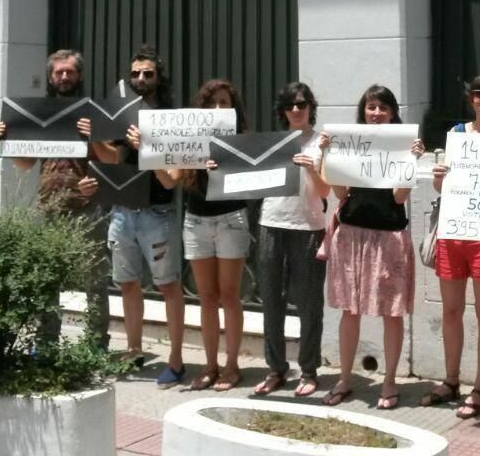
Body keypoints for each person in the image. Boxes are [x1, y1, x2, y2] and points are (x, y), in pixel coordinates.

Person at [0, 49, 111, 349]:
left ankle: (95, 344)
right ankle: (45, 343)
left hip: (87, 208)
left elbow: (112, 157)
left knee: (94, 281)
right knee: (46, 279)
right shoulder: (40, 114)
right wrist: (3, 140)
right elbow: (25, 163)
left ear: (79, 76)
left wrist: (94, 136)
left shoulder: (93, 112)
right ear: (50, 77)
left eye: (70, 72)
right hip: (49, 207)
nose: (65, 77)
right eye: (59, 72)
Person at [318, 85, 425, 409]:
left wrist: (412, 161)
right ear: (363, 111)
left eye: (382, 107)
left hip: (389, 237)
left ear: (393, 112)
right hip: (351, 235)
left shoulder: (402, 146)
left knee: (391, 313)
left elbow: (399, 198)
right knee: (350, 310)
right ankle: (345, 379)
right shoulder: (352, 144)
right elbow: (340, 193)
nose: (376, 113)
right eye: (371, 107)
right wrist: (326, 155)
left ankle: (390, 382)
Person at [96, 45, 188, 388]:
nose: (140, 79)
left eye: (147, 73)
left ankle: (176, 360)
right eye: (135, 74)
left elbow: (173, 178)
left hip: (158, 213)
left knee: (168, 286)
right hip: (122, 212)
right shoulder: (122, 116)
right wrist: (92, 139)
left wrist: (146, 146)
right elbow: (110, 159)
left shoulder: (171, 118)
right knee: (128, 284)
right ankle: (133, 350)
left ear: (158, 77)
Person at [420, 72, 480, 418]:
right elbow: (444, 190)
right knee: (451, 310)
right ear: (470, 98)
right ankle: (451, 380)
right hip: (454, 232)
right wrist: (440, 179)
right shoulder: (456, 135)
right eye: (478, 93)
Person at [167, 79, 254, 392]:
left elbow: (251, 181)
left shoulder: (241, 140)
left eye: (224, 102)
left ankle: (232, 365)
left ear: (233, 108)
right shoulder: (188, 138)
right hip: (196, 221)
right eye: (213, 102)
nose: (219, 108)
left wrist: (225, 167)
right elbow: (170, 179)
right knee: (206, 297)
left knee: (230, 295)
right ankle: (210, 364)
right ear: (202, 108)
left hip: (231, 218)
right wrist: (150, 154)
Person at [251, 82, 330, 398]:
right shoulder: (272, 143)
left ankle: (309, 371)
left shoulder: (322, 143)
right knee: (271, 299)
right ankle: (275, 369)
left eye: (302, 104)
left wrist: (312, 168)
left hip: (309, 226)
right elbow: (245, 175)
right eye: (290, 105)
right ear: (282, 111)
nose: (296, 110)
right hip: (271, 223)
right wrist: (221, 171)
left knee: (310, 303)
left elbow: (326, 192)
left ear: (311, 107)